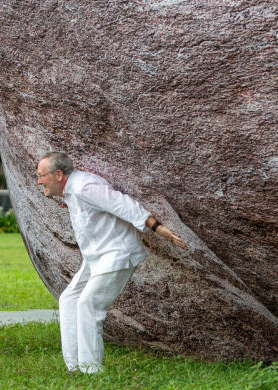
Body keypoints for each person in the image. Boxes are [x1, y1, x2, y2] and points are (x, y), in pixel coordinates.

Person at [35, 151, 188, 374]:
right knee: (69, 299)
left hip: (117, 254)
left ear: (58, 174)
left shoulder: (84, 186)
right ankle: (74, 367)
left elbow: (122, 204)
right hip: (96, 258)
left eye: (41, 175)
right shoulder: (72, 190)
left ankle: (90, 371)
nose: (39, 181)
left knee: (88, 305)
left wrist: (159, 229)